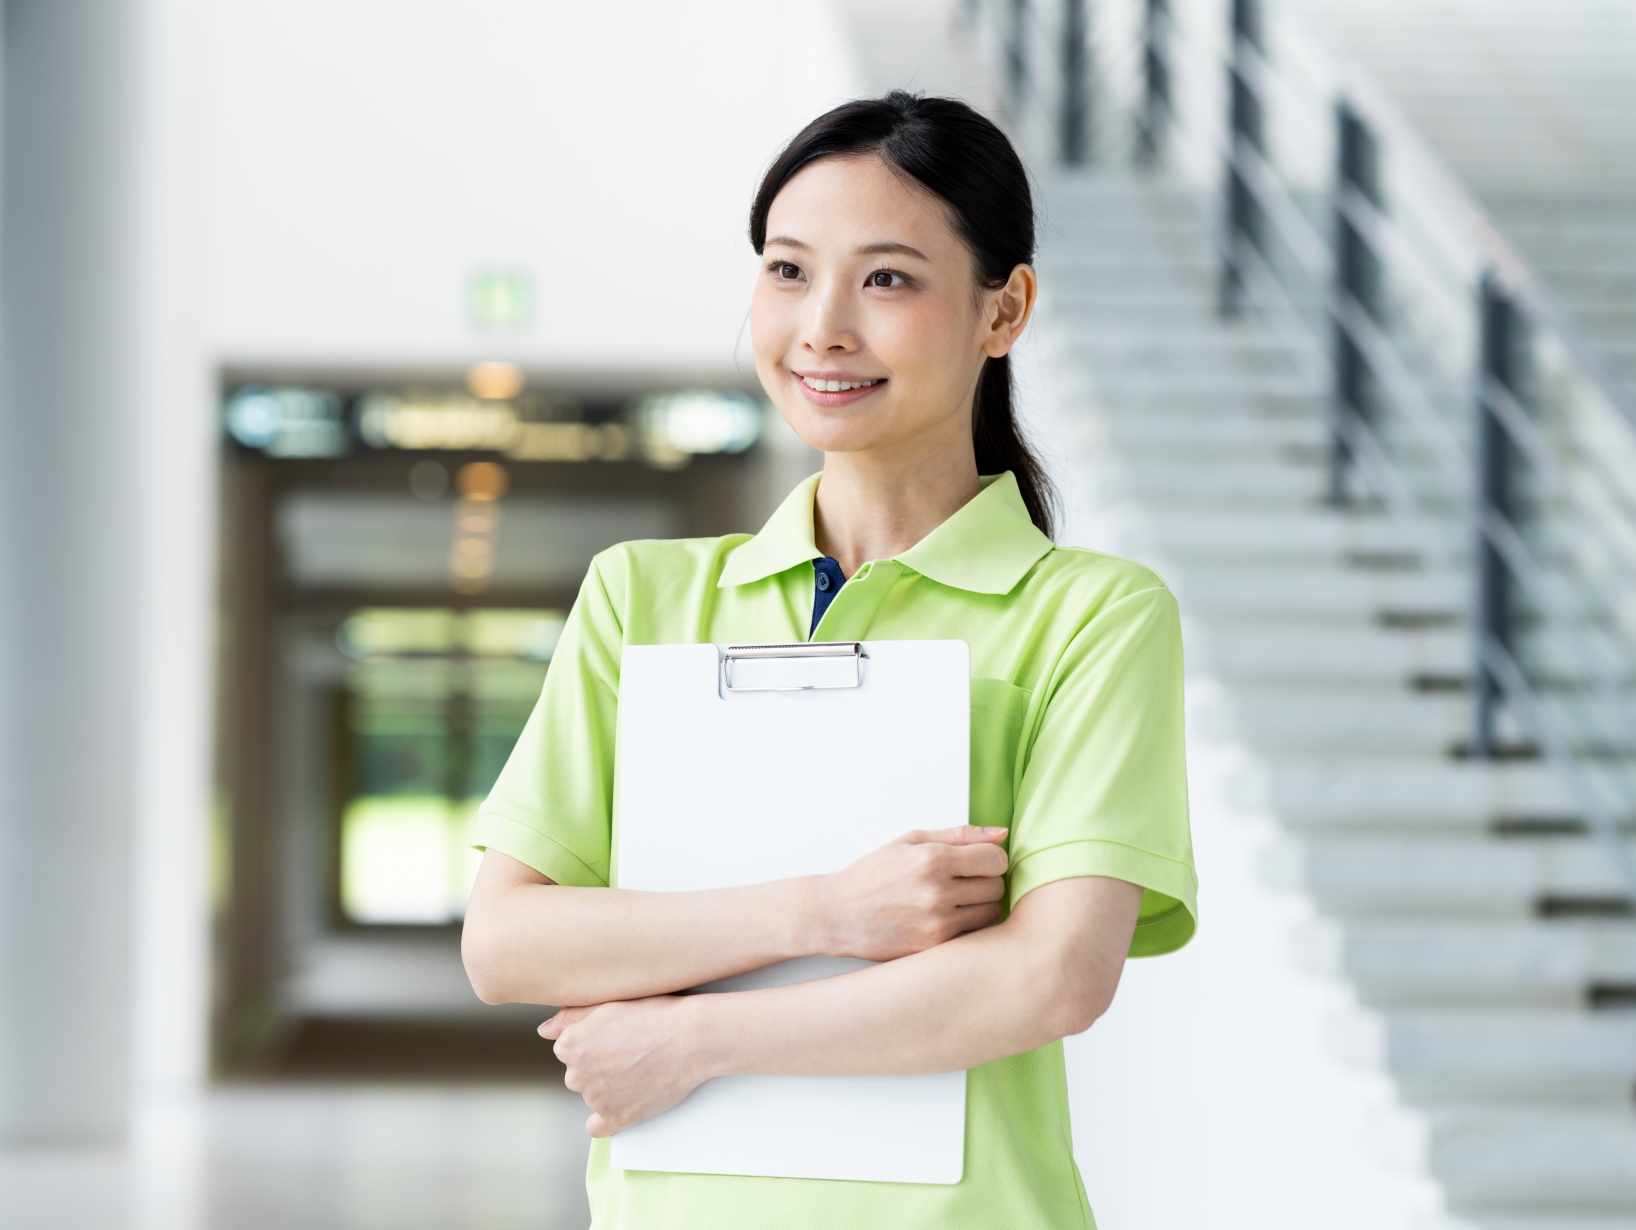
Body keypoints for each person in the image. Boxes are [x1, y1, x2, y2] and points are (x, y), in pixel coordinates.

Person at [461, 91, 1196, 1230]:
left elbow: (1050, 977)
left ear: (1005, 311)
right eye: (788, 270)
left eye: (888, 279)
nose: (823, 328)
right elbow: (509, 940)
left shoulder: (1092, 617)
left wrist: (692, 1035)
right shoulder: (641, 594)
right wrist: (825, 911)